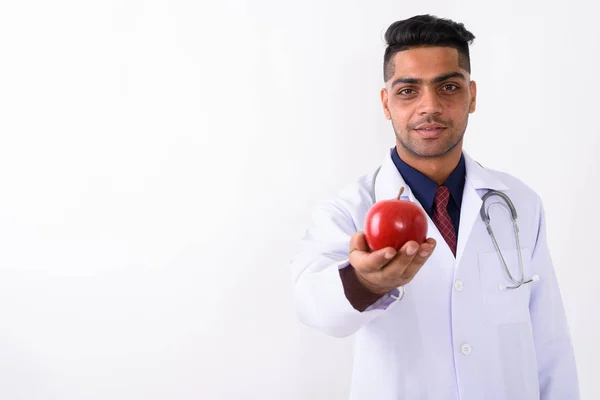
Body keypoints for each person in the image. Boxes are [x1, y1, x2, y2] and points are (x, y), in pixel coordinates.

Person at [289, 14, 579, 400]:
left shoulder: (518, 202)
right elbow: (314, 306)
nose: (430, 106)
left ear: (472, 96)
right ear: (386, 103)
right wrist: (366, 284)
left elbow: (549, 340)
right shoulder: (350, 209)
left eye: (448, 86)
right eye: (408, 91)